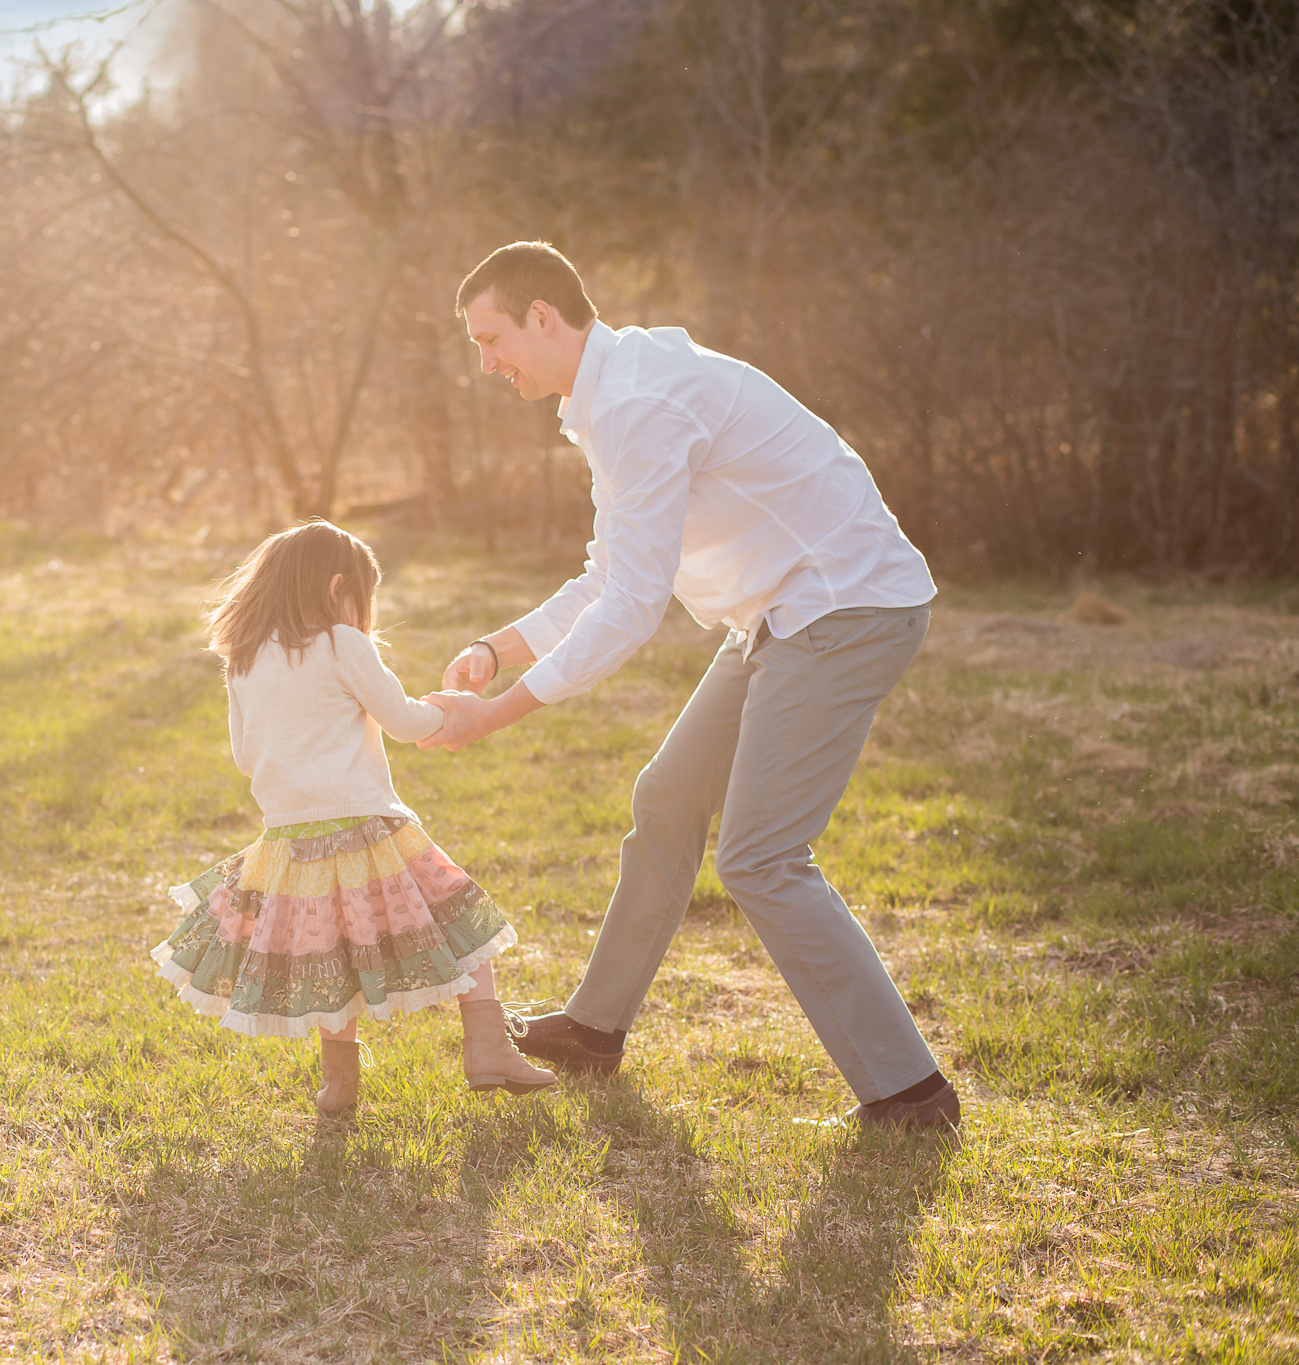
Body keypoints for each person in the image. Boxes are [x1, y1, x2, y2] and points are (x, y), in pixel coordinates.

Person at [419, 241, 958, 1131]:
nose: (485, 363)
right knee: (668, 797)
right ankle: (594, 1028)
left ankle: (910, 1092)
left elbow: (632, 608)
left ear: (543, 318)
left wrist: (498, 714)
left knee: (760, 857)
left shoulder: (636, 402)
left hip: (844, 605)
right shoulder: (614, 394)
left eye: (491, 339)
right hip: (782, 613)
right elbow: (610, 573)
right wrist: (498, 646)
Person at [151, 520, 554, 1117]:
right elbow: (405, 721)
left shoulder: (242, 659)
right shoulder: (343, 643)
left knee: (328, 954)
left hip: (287, 838)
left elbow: (243, 757)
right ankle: (488, 1048)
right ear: (340, 586)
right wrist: (450, 711)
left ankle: (338, 1084)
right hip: (368, 826)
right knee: (463, 919)